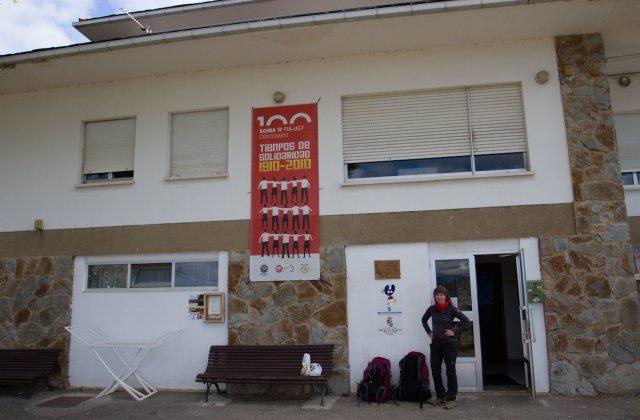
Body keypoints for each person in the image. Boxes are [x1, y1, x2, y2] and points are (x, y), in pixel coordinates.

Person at [421, 286, 470, 410]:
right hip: (436, 344)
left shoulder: (452, 309)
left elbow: (466, 322)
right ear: (435, 297)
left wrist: (454, 331)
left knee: (450, 370)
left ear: (446, 296)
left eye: (441, 295)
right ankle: (440, 396)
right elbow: (423, 320)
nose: (439, 297)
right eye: (437, 295)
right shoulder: (432, 309)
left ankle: (451, 399)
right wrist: (429, 332)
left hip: (449, 344)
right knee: (435, 369)